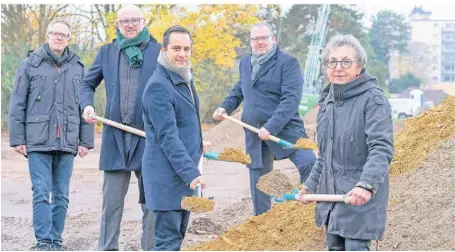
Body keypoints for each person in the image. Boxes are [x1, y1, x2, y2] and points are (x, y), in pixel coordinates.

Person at [298, 34, 394, 251]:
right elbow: (324, 156)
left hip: (358, 197)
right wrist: (309, 186)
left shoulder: (373, 99)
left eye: (346, 62)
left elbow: (381, 148)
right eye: (332, 62)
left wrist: (366, 185)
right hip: (331, 198)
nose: (338, 67)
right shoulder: (327, 101)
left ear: (359, 66)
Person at [78, 5, 160, 251]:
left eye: (135, 20)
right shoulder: (107, 52)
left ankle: (152, 248)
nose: (131, 25)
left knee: (152, 204)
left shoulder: (159, 52)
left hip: (148, 138)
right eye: (125, 21)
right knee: (111, 204)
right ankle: (107, 248)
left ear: (144, 21)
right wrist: (87, 106)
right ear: (117, 24)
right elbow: (86, 85)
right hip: (115, 137)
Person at [212, 22, 316, 216]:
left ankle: (312, 211)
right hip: (253, 131)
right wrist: (224, 107)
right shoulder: (245, 62)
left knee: (308, 161)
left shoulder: (288, 63)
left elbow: (290, 100)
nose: (260, 42)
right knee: (260, 182)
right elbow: (239, 89)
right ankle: (262, 220)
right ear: (250, 42)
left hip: (285, 127)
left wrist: (271, 126)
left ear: (273, 39)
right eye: (255, 39)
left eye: (264, 38)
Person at [8, 19, 94, 251]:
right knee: (41, 192)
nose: (58, 37)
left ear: (69, 38)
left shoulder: (78, 67)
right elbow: (17, 103)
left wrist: (85, 140)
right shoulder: (30, 64)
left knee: (62, 195)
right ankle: (43, 242)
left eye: (63, 35)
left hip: (67, 140)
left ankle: (56, 240)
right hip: (37, 140)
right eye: (54, 33)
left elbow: (86, 105)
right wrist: (17, 139)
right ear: (47, 36)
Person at [142, 25, 206, 251]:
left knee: (176, 240)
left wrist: (199, 143)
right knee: (167, 243)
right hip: (166, 179)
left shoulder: (184, 78)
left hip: (181, 177)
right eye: (176, 48)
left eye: (187, 49)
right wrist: (192, 174)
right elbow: (168, 137)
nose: (182, 54)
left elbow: (185, 124)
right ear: (164, 50)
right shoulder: (158, 86)